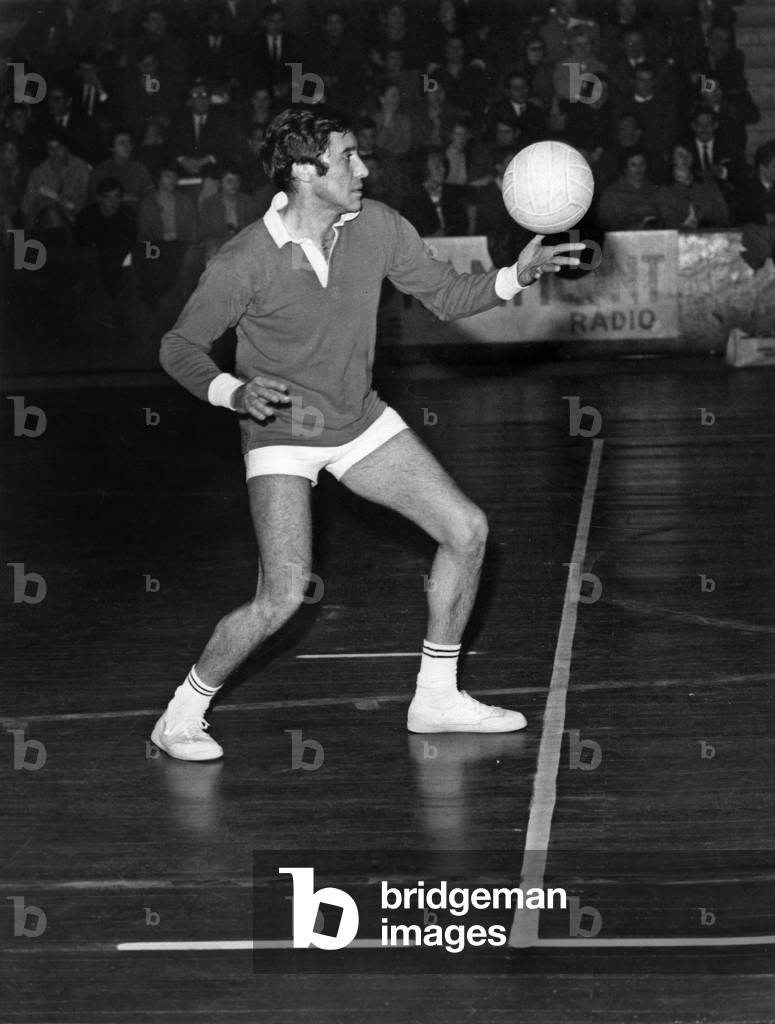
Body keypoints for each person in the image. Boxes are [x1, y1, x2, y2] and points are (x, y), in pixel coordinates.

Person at [150, 104, 582, 761]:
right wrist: (235, 392)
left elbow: (445, 295)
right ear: (302, 169)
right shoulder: (244, 261)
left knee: (465, 529)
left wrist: (514, 276)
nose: (364, 168)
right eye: (348, 156)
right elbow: (179, 348)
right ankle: (180, 715)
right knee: (283, 595)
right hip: (283, 432)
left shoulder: (376, 226)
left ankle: (436, 699)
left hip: (358, 419)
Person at [73, 176, 137, 297]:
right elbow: (79, 244)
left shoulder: (127, 216)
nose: (113, 201)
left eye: (116, 197)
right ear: (99, 198)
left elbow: (129, 244)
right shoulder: (86, 216)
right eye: (108, 197)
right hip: (90, 263)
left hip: (118, 263)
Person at [655, 143, 729, 228]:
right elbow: (666, 219)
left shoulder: (707, 183)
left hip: (709, 233)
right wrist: (683, 224)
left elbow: (722, 213)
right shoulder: (664, 189)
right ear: (672, 158)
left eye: (688, 153)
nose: (684, 157)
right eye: (680, 154)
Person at [89, 129, 154, 212]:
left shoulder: (140, 169)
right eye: (121, 143)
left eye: (129, 142)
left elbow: (150, 196)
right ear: (112, 147)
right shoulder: (101, 171)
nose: (127, 146)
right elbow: (94, 200)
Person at [597, 146, 661, 229]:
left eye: (642, 164)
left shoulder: (656, 191)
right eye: (633, 165)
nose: (638, 169)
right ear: (625, 168)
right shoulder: (611, 193)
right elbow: (604, 224)